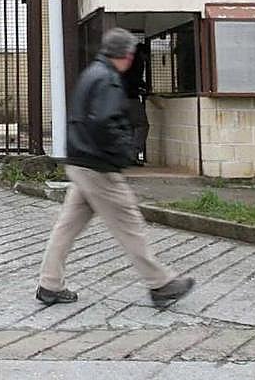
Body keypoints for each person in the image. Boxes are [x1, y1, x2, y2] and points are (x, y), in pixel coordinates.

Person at [36, 28, 194, 309]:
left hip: (81, 162)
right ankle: (160, 283)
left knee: (67, 226)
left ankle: (50, 283)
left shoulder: (92, 73)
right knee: (129, 223)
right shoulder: (108, 79)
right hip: (99, 166)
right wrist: (123, 151)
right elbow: (104, 122)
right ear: (127, 55)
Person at [122, 41, 149, 165]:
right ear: (142, 53)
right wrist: (142, 87)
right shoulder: (137, 62)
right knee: (141, 125)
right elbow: (134, 80)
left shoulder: (125, 60)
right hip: (130, 98)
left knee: (129, 126)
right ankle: (133, 155)